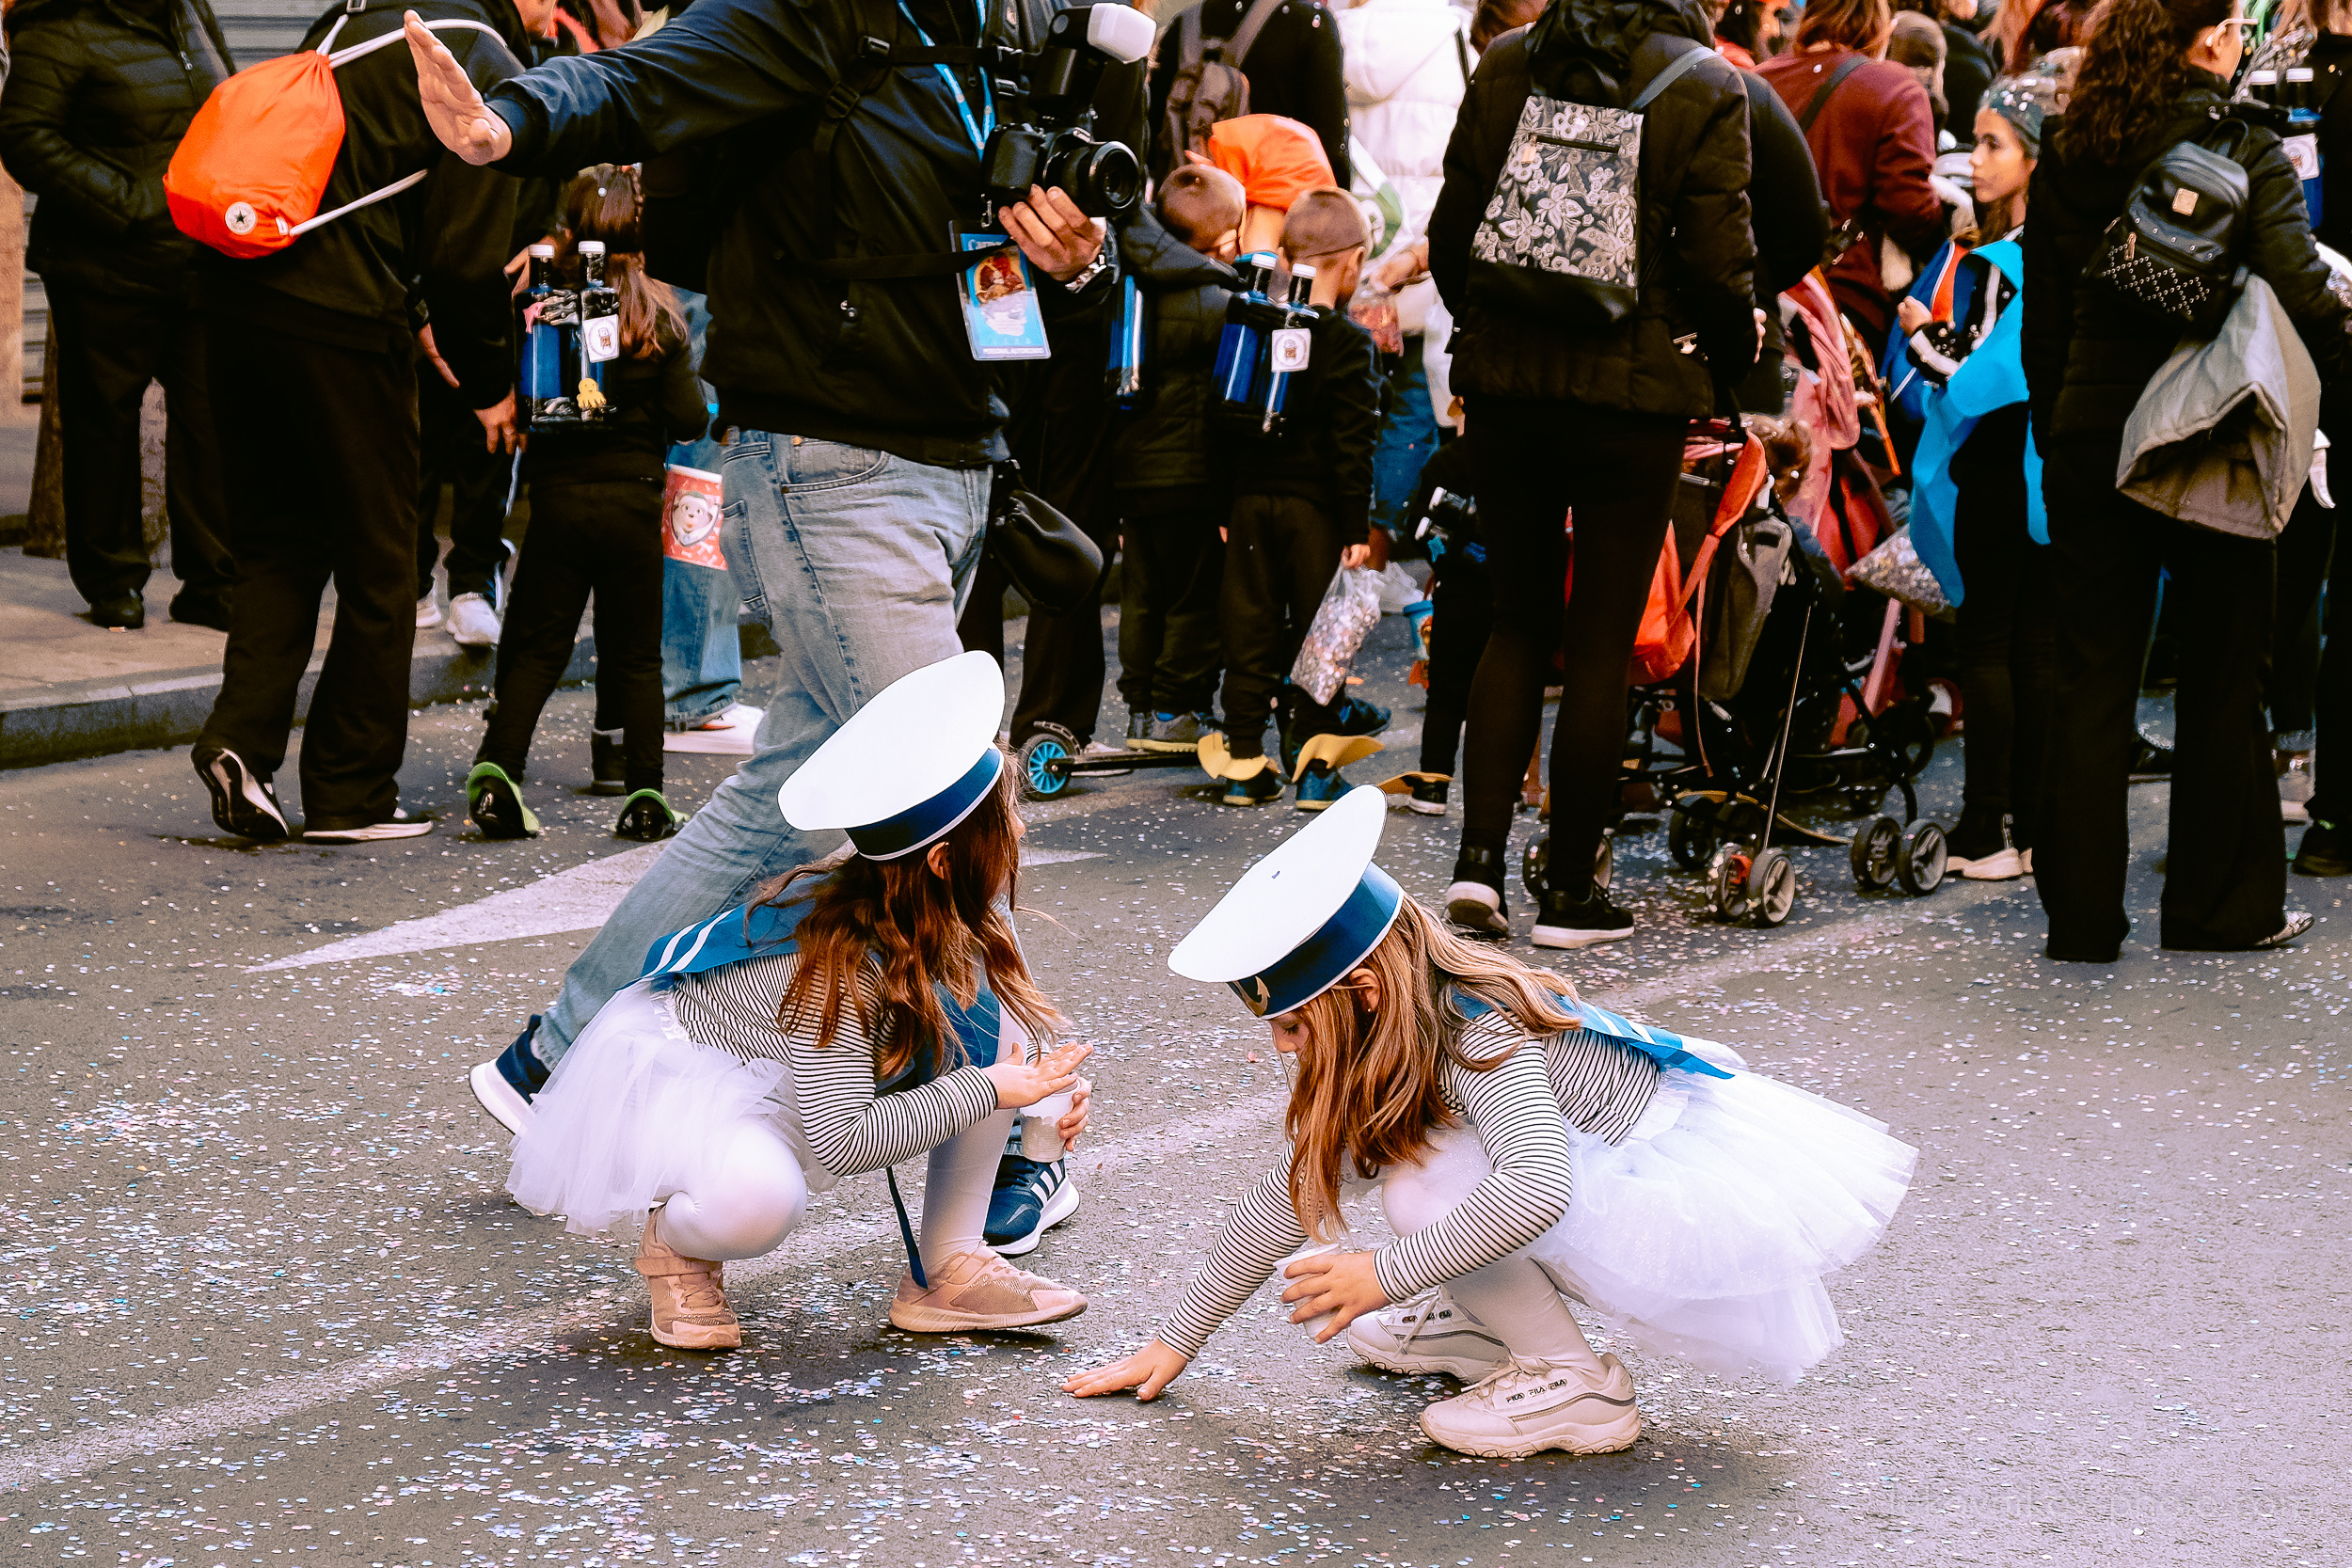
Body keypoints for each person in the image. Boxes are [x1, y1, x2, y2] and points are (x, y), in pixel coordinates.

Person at [406, 0, 1116, 1109]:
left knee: (778, 805)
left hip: (955, 462)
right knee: (956, 802)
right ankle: (1018, 1129)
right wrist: (506, 122)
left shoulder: (997, 29)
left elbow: (1029, 253)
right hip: (835, 473)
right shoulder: (820, 11)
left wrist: (1080, 261)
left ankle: (549, 1059)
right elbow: (640, 81)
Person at [1063, 788, 1915, 1456]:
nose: (1284, 1047)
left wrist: (1385, 1273)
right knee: (1421, 1165)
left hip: (1677, 1206)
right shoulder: (1406, 1028)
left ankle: (1577, 1382)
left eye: (1292, 1024)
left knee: (1420, 1187)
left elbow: (1538, 1186)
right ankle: (1482, 1321)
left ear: (1364, 993)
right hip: (1608, 1177)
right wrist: (1174, 1342)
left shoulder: (1479, 1034)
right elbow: (1293, 1193)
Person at [504, 653, 1096, 1349]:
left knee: (998, 1032)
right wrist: (994, 1089)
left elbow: (995, 1050)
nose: (1020, 832)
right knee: (759, 1203)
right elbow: (845, 1141)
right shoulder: (834, 969)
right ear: (942, 862)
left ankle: (949, 1268)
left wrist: (1041, 1098)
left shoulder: (944, 906)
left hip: (798, 1077)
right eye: (1006, 822)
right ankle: (675, 1245)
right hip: (686, 1084)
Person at [1428, 0, 1758, 948]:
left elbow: (1454, 234)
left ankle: (1478, 865)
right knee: (1602, 643)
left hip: (1507, 390)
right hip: (1631, 400)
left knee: (1516, 621)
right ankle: (1570, 889)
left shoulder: (1506, 61)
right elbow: (1718, 265)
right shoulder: (1704, 82)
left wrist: (1496, 324)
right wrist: (1725, 358)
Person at [2023, 0, 2348, 958]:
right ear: (2209, 39)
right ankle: (2219, 907)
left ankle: (2081, 918)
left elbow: (2046, 312)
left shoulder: (2072, 146)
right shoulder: (2242, 146)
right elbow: (2303, 295)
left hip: (2091, 431)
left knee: (2092, 674)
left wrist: (2058, 426)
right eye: (2236, 28)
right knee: (2222, 669)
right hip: (2207, 433)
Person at [190, 0, 539, 847]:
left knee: (278, 542)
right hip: (342, 315)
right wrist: (490, 384)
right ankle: (351, 791)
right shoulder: (478, 54)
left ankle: (240, 741)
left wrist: (413, 311)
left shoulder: (345, 24)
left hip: (234, 296)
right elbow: (463, 256)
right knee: (382, 558)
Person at [467, 166, 710, 846]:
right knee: (636, 657)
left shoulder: (545, 305)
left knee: (538, 650)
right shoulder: (659, 314)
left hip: (558, 506)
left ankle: (499, 770)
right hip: (633, 508)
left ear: (570, 227)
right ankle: (645, 794)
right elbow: (690, 419)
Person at [0, 0, 236, 632]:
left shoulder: (188, 11)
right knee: (103, 424)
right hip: (102, 267)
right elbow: (24, 136)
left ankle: (213, 583)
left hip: (196, 258)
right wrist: (129, 201)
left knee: (210, 422)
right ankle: (113, 583)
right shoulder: (59, 21)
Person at [1898, 64, 2061, 883]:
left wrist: (1919, 336)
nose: (1977, 159)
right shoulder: (2073, 246)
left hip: (1997, 461)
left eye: (1995, 144)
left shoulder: (2004, 262)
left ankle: (1983, 824)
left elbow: (1973, 375)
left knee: (1988, 641)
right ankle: (2029, 826)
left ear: (2035, 157)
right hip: (2047, 466)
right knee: (2032, 644)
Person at [1201, 189, 1387, 809]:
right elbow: (1354, 442)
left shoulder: (1255, 327)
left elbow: (1220, 419)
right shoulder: (1348, 342)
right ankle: (1315, 764)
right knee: (1320, 638)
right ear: (1353, 262)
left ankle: (1243, 760)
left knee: (1249, 628)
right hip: (1317, 513)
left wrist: (1225, 504)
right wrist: (1356, 525)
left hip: (1251, 502)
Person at [1112, 165, 1245, 755]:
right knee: (1194, 597)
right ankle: (1177, 708)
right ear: (1224, 239)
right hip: (1191, 477)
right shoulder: (1217, 300)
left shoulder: (1133, 287)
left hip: (1135, 475)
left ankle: (1141, 708)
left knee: (1143, 595)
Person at [1337, 0, 1477, 528]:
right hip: (1420, 252)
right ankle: (1376, 550)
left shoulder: (1335, 34)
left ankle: (1338, 541)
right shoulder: (1455, 41)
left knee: (1346, 398)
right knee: (1411, 403)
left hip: (1347, 246)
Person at [2271, 0, 2352, 878]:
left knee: (2287, 575)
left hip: (2288, 353)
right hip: (2315, 350)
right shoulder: (2285, 69)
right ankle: (2329, 810)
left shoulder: (2274, 66)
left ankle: (2304, 795)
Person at [1758, 0, 1944, 356]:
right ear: (1882, 27)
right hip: (1842, 303)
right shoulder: (1894, 88)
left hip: (1759, 296)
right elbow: (1909, 206)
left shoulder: (1758, 78)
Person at [1152, 0, 1353, 186]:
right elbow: (1332, 153)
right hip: (1271, 207)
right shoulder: (1308, 24)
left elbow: (1152, 141)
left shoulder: (1181, 27)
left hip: (1181, 202)